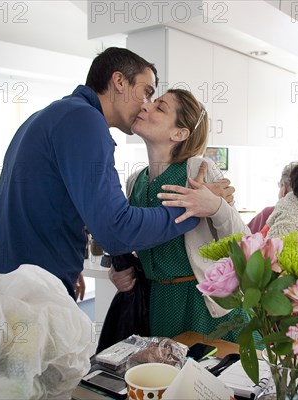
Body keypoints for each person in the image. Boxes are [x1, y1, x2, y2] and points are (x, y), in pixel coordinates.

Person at [0, 48, 232, 300]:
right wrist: (190, 211)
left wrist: (70, 259)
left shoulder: (48, 116)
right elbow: (116, 229)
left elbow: (54, 203)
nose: (146, 105)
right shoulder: (84, 121)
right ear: (119, 81)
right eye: (146, 92)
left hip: (6, 286)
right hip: (26, 294)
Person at [109, 89, 250, 341]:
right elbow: (134, 242)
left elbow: (243, 242)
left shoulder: (199, 169)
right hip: (159, 303)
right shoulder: (135, 181)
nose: (145, 107)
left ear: (180, 133)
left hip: (204, 303)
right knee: (168, 378)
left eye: (160, 107)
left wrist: (215, 207)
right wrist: (118, 272)